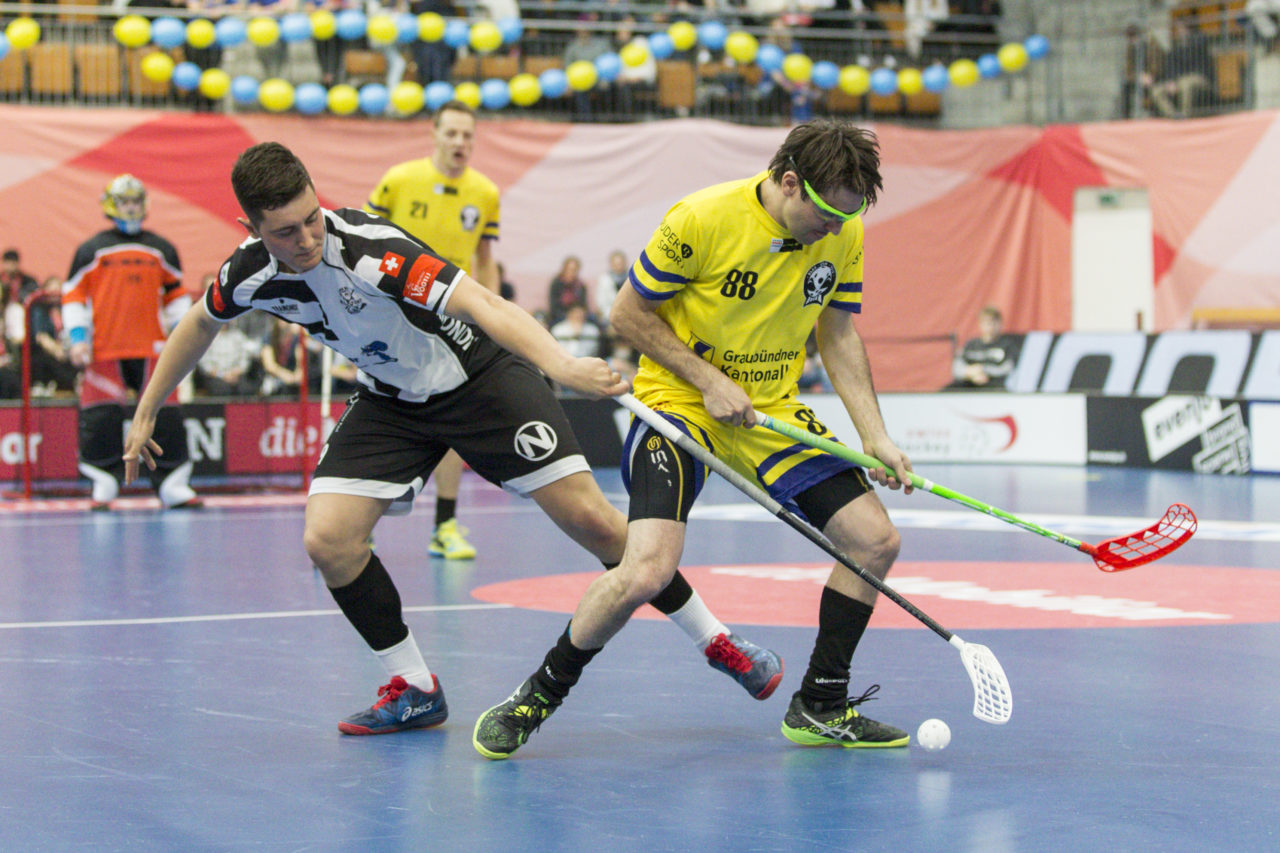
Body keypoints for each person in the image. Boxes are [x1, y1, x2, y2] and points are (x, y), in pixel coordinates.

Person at [122, 142, 782, 737]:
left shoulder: (372, 249)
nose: (305, 239)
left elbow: (484, 305)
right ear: (252, 230)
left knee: (597, 524)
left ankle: (719, 641)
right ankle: (413, 686)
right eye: (285, 232)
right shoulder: (249, 273)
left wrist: (561, 363)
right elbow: (198, 325)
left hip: (479, 378)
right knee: (329, 540)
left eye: (311, 218)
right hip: (391, 399)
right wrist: (149, 407)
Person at [475, 119, 915, 760]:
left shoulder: (843, 234)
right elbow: (627, 314)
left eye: (845, 218)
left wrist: (876, 436)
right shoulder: (703, 218)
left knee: (875, 541)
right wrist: (708, 379)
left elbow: (838, 333)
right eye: (826, 215)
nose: (834, 229)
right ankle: (538, 692)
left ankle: (821, 703)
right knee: (647, 570)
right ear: (789, 182)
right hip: (677, 407)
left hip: (769, 414)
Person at [365, 99, 501, 561]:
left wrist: (492, 316)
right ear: (434, 134)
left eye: (468, 135)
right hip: (393, 316)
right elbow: (365, 241)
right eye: (453, 134)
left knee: (450, 424)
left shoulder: (485, 193)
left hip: (452, 320)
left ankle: (444, 526)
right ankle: (361, 526)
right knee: (381, 420)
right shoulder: (400, 180)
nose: (460, 143)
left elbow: (485, 260)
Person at [62, 174, 201, 511]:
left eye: (136, 201)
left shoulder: (162, 248)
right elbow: (73, 297)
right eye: (124, 201)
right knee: (100, 418)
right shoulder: (90, 250)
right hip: (104, 350)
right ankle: (103, 482)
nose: (131, 207)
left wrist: (182, 338)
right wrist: (78, 339)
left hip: (153, 350)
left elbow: (176, 297)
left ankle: (172, 485)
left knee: (165, 416)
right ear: (111, 205)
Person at [1147, 18, 1215, 119]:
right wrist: (1171, 81)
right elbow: (1171, 67)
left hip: (1200, 77)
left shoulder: (1199, 41)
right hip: (1180, 80)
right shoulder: (1175, 48)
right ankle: (1173, 115)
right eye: (1178, 28)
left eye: (1182, 28)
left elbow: (1197, 57)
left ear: (1188, 28)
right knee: (1156, 91)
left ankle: (1185, 115)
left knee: (1185, 84)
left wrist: (1187, 40)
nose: (1179, 31)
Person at [947, 304, 1018, 390]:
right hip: (970, 384)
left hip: (995, 386)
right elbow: (956, 369)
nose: (990, 326)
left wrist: (984, 370)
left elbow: (1008, 369)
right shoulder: (971, 345)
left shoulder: (1007, 345)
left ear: (1000, 324)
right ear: (980, 324)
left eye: (994, 322)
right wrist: (971, 374)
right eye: (987, 322)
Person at [547, 255, 589, 329]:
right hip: (560, 315)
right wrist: (568, 316)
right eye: (570, 269)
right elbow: (554, 305)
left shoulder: (580, 286)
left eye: (574, 270)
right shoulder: (556, 284)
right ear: (564, 269)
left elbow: (583, 305)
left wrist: (578, 313)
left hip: (577, 314)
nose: (572, 272)